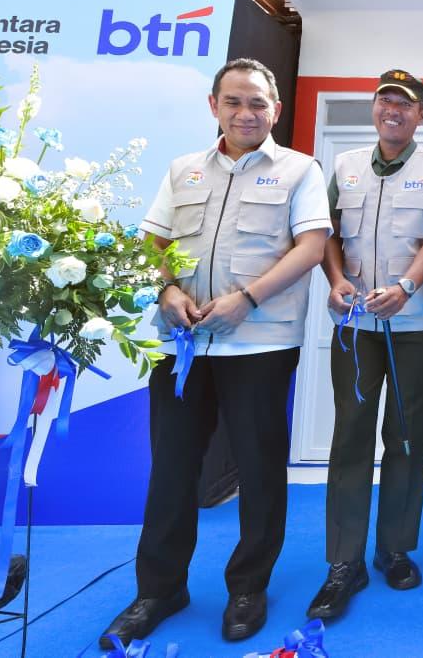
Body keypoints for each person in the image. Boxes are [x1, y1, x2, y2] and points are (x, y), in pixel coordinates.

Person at [100, 58, 330, 648]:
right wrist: (167, 289)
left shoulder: (300, 170)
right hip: (182, 345)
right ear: (214, 106)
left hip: (260, 342)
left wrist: (247, 299)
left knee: (259, 469)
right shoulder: (183, 170)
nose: (245, 113)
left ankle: (248, 587)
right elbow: (152, 241)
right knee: (171, 469)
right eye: (233, 101)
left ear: (275, 110)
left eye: (257, 103)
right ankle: (159, 590)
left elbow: (310, 247)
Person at [305, 69, 423, 622]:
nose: (393, 110)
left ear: (421, 114)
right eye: (385, 101)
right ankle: (343, 562)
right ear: (375, 108)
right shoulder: (344, 166)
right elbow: (324, 233)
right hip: (355, 326)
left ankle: (394, 548)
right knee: (350, 435)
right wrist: (334, 280)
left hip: (417, 323)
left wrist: (407, 287)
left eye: (405, 103)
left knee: (406, 436)